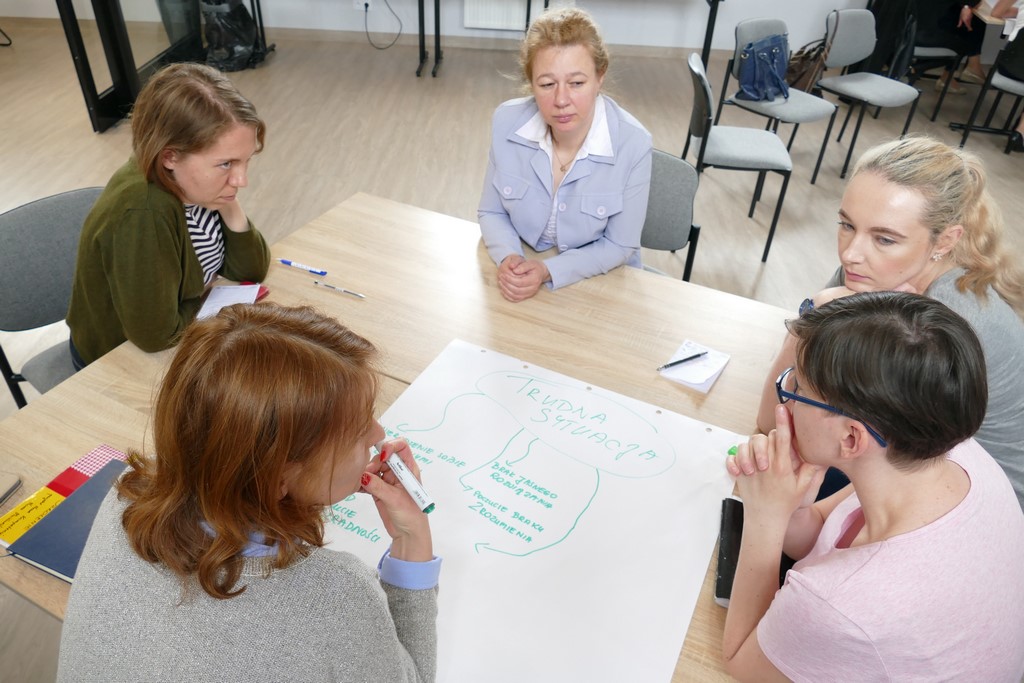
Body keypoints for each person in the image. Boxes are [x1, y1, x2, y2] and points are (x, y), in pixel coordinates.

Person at [57, 304, 440, 682]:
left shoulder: (126, 493)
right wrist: (412, 539)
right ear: (276, 479)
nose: (378, 435)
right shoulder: (335, 599)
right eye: (358, 431)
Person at [723, 292, 1024, 681]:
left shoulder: (839, 603)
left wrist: (763, 517)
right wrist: (791, 505)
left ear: (851, 439)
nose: (786, 405)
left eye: (797, 389)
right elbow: (821, 534)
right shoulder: (949, 453)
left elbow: (739, 660)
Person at [757, 136, 1024, 509]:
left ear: (945, 241)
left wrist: (812, 325)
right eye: (846, 225)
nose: (851, 253)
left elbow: (786, 426)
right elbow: (774, 415)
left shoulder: (946, 326)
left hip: (982, 499)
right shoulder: (868, 271)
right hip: (914, 457)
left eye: (884, 238)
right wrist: (814, 320)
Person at [66, 62, 271, 368]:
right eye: (226, 163)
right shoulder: (144, 213)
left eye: (245, 161)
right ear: (170, 156)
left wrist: (229, 202)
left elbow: (250, 270)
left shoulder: (195, 184)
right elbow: (155, 336)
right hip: (113, 360)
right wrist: (213, 302)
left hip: (175, 335)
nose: (242, 180)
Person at [477, 7, 652, 302]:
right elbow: (491, 212)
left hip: (600, 284)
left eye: (577, 83)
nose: (561, 100)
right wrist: (508, 257)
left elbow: (620, 246)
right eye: (546, 84)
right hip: (523, 272)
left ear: (600, 77)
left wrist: (547, 270)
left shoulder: (634, 143)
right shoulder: (506, 121)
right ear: (531, 83)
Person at [914, 0, 988, 93]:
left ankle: (949, 77)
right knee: (966, 38)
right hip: (923, 33)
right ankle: (972, 66)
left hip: (909, 29)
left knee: (967, 21)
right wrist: (967, 6)